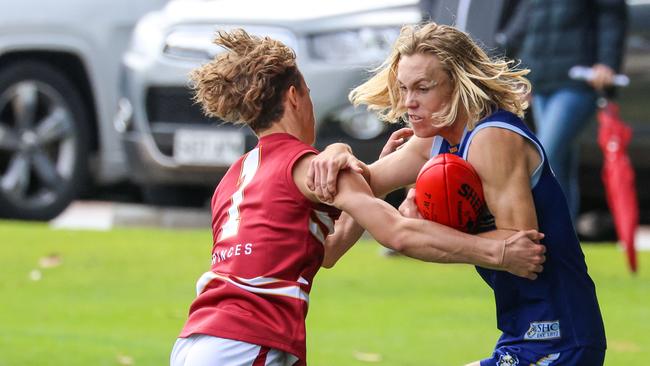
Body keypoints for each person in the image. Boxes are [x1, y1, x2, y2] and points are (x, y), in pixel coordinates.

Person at [169, 29, 545, 366]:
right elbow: (396, 233)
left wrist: (351, 163)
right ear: (295, 96)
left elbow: (324, 252)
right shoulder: (307, 166)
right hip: (248, 341)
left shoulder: (235, 176)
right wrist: (499, 253)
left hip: (196, 337)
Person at [308, 23, 606, 365]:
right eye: (403, 88)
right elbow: (360, 190)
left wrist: (430, 226)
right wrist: (337, 153)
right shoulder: (433, 140)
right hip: (521, 334)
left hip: (559, 337)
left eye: (423, 88)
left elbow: (521, 252)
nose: (409, 102)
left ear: (458, 83)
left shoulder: (491, 138)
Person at [517, 0, 628, 219]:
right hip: (542, 84)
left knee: (543, 157)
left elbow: (612, 15)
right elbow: (530, 26)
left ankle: (549, 237)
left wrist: (607, 63)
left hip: (578, 80)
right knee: (559, 169)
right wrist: (524, 75)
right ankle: (566, 246)